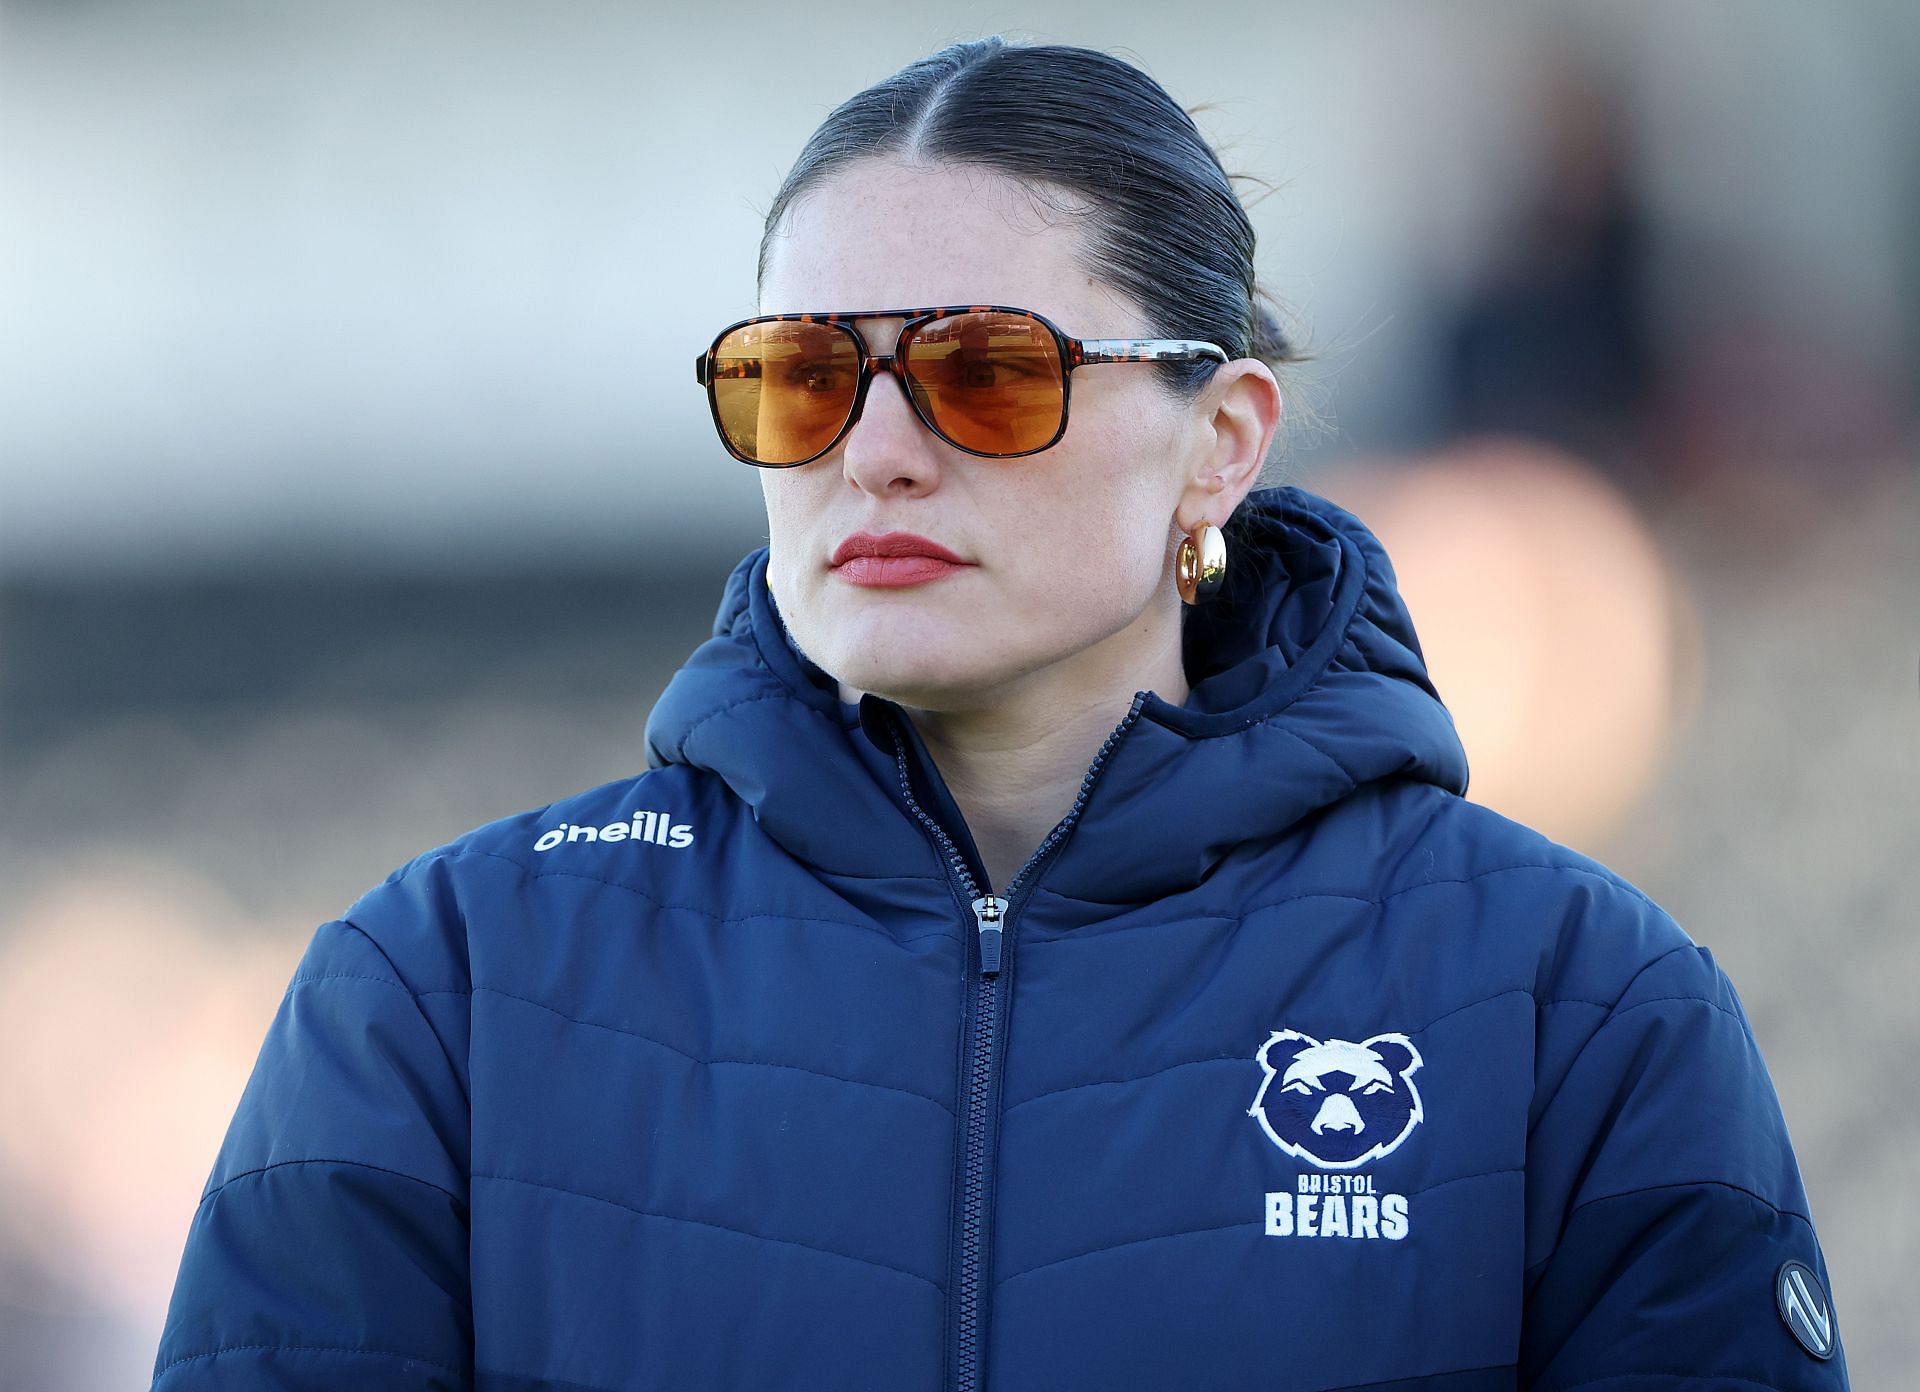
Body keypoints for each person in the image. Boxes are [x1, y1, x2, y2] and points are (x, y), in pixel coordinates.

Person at [151, 36, 1848, 1392]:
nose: (875, 446)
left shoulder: (1582, 1010)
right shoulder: (438, 992)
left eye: (987, 370)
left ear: (1224, 438)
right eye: (804, 375)